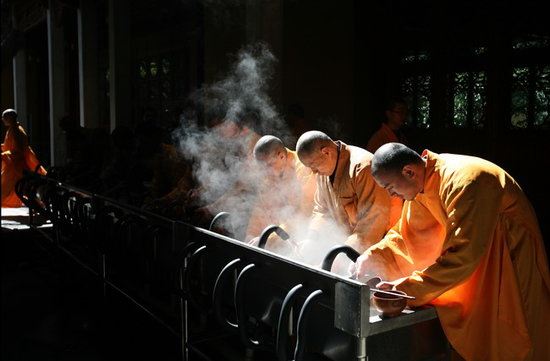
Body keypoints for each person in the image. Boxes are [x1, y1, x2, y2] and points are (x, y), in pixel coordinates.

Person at [352, 143, 550, 361]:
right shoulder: (422, 183)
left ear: (408, 171)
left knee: (514, 334)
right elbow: (406, 235)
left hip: (509, 258)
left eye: (390, 188)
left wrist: (405, 289)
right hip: (478, 258)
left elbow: (462, 255)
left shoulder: (466, 181)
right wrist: (373, 256)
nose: (392, 196)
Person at [296, 131, 398, 254]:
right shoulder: (322, 170)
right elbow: (322, 209)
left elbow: (373, 221)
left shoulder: (363, 167)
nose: (313, 172)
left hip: (378, 247)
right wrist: (312, 237)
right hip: (349, 244)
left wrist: (344, 254)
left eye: (313, 165)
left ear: (326, 152)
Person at [245, 135, 316, 251]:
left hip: (306, 239)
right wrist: (251, 236)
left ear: (282, 156)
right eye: (261, 168)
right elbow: (261, 209)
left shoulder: (304, 169)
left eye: (268, 166)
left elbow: (303, 214)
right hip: (280, 236)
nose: (264, 172)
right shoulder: (269, 173)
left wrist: (266, 238)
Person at [2, 109, 47, 207]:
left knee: (13, 188)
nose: (3, 119)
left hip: (16, 166)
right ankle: (39, 206)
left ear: (10, 118)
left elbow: (18, 150)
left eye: (4, 117)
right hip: (14, 164)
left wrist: (4, 155)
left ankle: (40, 206)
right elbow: (9, 146)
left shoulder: (16, 130)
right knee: (23, 189)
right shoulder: (13, 129)